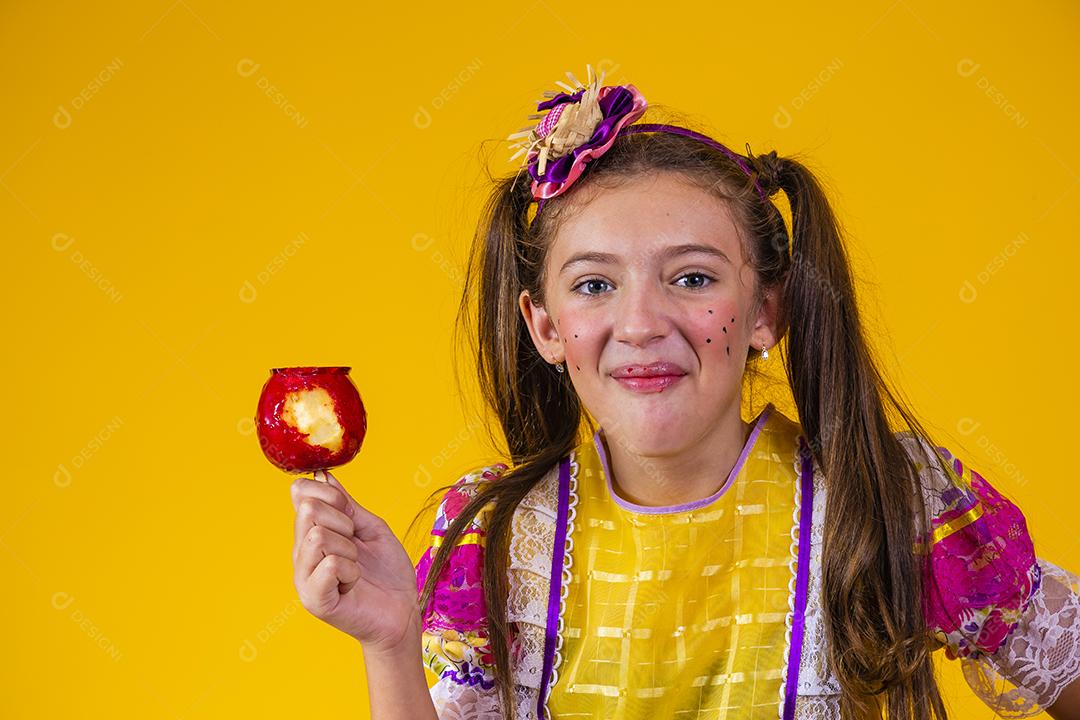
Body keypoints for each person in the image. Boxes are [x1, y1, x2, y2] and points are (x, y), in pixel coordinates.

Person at [289, 66, 1080, 719]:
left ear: (766, 309)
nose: (639, 323)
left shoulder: (887, 500)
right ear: (546, 329)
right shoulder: (493, 539)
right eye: (594, 284)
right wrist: (389, 644)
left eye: (692, 278)